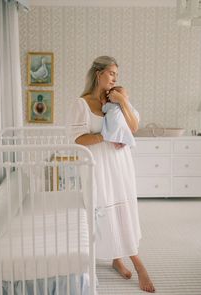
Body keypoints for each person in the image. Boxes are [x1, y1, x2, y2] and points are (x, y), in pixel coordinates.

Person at [67, 56, 155, 293]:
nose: (115, 78)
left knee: (124, 210)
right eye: (112, 73)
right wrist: (106, 136)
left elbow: (134, 127)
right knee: (105, 212)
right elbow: (77, 139)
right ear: (98, 74)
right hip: (98, 166)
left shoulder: (116, 98)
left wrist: (123, 100)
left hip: (120, 163)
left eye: (116, 74)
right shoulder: (81, 104)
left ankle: (121, 258)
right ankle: (138, 265)